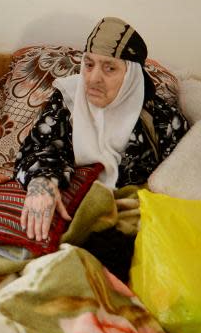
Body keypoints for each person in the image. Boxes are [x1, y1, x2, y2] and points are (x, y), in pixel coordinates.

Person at [15, 17, 188, 242]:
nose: (93, 79)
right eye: (89, 65)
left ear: (131, 76)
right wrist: (42, 181)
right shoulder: (67, 100)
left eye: (110, 68)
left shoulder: (161, 122)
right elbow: (41, 147)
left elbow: (178, 182)